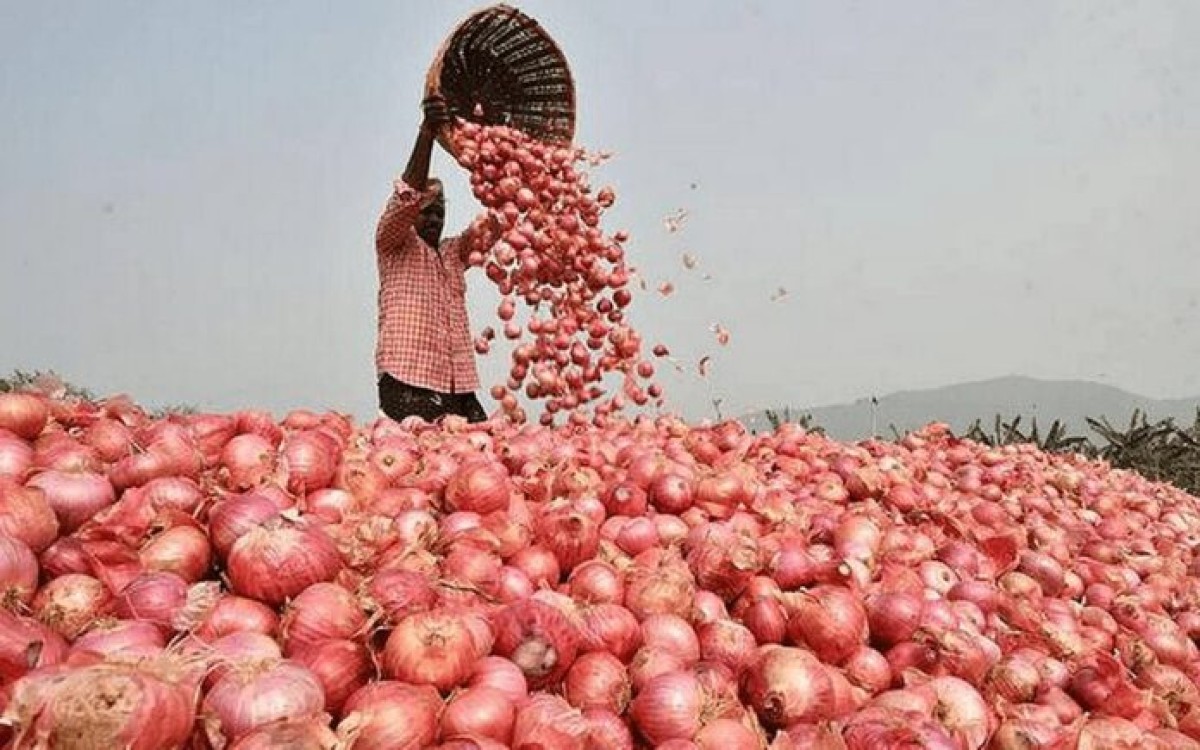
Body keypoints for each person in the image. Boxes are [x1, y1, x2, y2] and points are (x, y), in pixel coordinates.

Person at [374, 94, 489, 424]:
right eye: (428, 212)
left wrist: (514, 177)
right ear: (413, 214)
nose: (436, 218)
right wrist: (427, 134)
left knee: (477, 458)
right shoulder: (393, 243)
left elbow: (494, 225)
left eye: (442, 212)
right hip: (408, 378)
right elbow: (406, 196)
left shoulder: (453, 253)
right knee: (420, 460)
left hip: (459, 385)